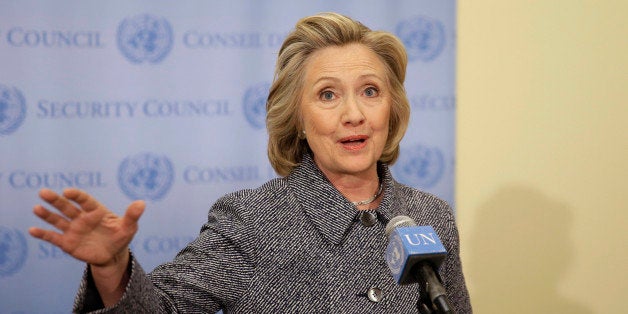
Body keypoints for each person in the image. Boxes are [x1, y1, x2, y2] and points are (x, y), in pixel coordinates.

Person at [29, 12, 472, 313]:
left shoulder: (430, 215)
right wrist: (112, 266)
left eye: (370, 91)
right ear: (298, 120)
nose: (353, 113)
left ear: (391, 109)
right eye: (327, 94)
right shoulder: (251, 220)